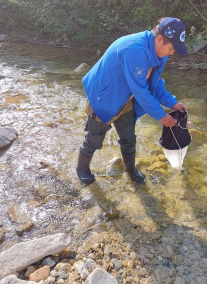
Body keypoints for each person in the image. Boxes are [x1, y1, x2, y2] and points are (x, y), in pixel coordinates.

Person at [77, 17, 188, 186]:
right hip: (103, 96)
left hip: (126, 97)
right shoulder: (135, 50)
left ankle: (131, 170)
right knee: (94, 137)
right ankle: (82, 170)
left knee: (129, 137)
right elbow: (140, 90)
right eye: (171, 48)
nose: (171, 53)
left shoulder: (160, 55)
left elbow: (155, 84)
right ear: (159, 39)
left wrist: (172, 103)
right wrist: (161, 116)